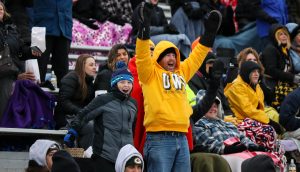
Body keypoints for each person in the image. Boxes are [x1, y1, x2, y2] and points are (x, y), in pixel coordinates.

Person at [135, 1, 222, 171]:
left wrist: (209, 35)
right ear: (158, 57)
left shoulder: (181, 71)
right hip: (159, 139)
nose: (172, 59)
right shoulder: (149, 74)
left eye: (173, 55)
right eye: (167, 55)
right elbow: (142, 56)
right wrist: (144, 29)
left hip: (182, 137)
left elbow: (196, 57)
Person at [64, 61, 137, 172]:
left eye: (129, 82)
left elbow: (132, 128)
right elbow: (84, 115)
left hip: (125, 158)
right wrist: (73, 131)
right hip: (104, 156)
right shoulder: (103, 99)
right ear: (115, 83)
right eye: (122, 82)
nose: (126, 85)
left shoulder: (133, 103)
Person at [0, 1, 41, 119]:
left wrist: (32, 51)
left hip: (14, 74)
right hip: (5, 76)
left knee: (30, 88)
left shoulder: (11, 29)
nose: (0, 11)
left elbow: (20, 52)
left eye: (1, 9)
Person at [54, 54, 97, 149]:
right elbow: (63, 101)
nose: (94, 67)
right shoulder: (71, 77)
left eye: (95, 65)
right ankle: (85, 154)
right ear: (82, 66)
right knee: (90, 126)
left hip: (80, 116)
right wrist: (81, 112)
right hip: (66, 117)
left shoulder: (89, 82)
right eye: (91, 65)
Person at [33, 0, 73, 87]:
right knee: (37, 69)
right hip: (38, 31)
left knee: (63, 71)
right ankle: (34, 98)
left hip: (64, 31)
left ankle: (63, 99)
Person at [260, 24, 299, 110]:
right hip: (272, 85)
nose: (284, 36)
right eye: (280, 34)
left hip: (283, 83)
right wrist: (293, 78)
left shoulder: (284, 49)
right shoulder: (271, 49)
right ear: (275, 36)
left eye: (285, 34)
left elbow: (288, 70)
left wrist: (296, 76)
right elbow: (271, 70)